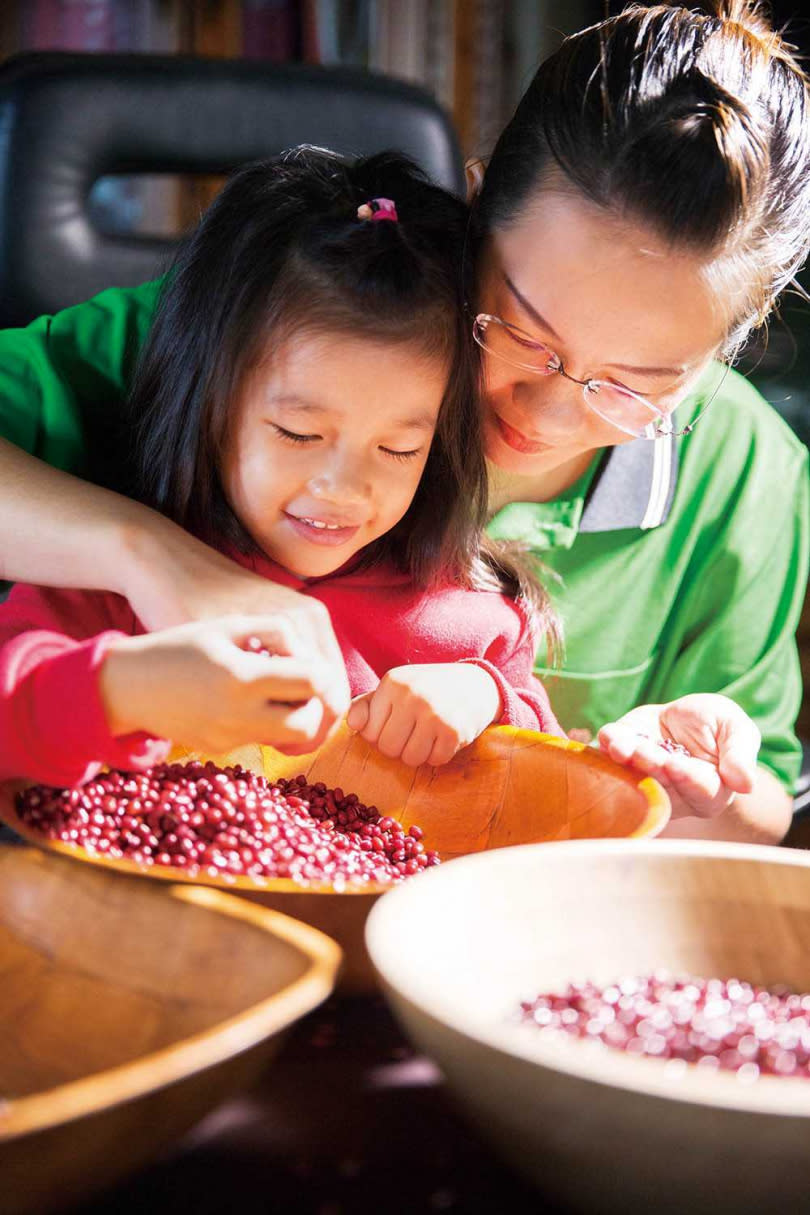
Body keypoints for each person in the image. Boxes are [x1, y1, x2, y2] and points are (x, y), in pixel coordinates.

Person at [0, 1, 806, 842]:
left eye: (637, 386)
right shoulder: (251, 335)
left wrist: (665, 771)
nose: (548, 412)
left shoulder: (747, 471)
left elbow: (751, 814)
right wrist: (152, 558)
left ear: (722, 351)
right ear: (474, 209)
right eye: (523, 333)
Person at [0, 149, 562, 788]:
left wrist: (483, 697)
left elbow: (543, 771)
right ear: (209, 402)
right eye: (298, 433)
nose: (343, 489)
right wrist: (119, 690)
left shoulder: (474, 618)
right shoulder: (116, 589)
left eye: (399, 449)